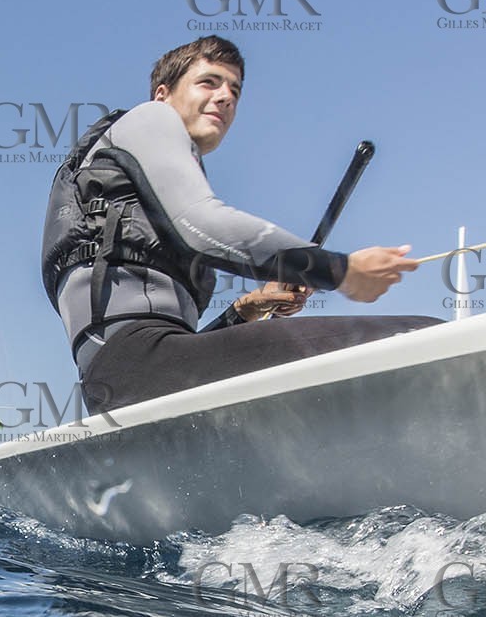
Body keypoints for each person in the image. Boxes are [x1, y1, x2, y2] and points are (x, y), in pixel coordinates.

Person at [42, 35, 440, 411]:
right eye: (209, 82)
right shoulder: (151, 118)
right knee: (425, 337)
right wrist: (341, 270)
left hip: (128, 378)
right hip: (140, 362)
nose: (225, 97)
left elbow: (174, 352)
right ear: (163, 93)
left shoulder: (145, 183)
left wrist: (245, 310)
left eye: (235, 90)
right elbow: (202, 225)